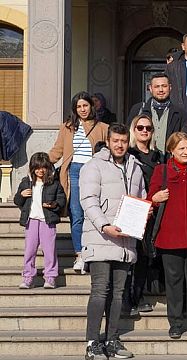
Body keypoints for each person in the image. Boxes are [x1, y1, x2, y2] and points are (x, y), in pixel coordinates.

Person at [80, 123, 146, 360]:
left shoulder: (134, 166)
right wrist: (104, 225)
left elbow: (141, 196)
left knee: (118, 293)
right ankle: (92, 343)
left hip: (126, 240)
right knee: (100, 290)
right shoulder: (94, 166)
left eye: (123, 141)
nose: (120, 145)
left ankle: (112, 339)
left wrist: (143, 210)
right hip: (100, 237)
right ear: (108, 141)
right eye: (116, 140)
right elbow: (88, 200)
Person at [148, 132, 187, 340]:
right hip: (170, 235)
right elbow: (150, 199)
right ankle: (175, 323)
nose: (185, 152)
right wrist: (156, 198)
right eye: (181, 148)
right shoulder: (162, 171)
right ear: (171, 151)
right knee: (173, 282)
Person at [49, 91, 109, 273]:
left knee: (94, 213)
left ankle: (94, 252)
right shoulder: (67, 127)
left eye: (85, 105)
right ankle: (80, 254)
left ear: (92, 106)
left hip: (94, 172)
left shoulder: (103, 127)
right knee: (77, 215)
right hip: (73, 172)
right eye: (79, 106)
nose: (83, 109)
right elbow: (57, 150)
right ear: (75, 109)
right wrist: (41, 164)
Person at [125, 114, 164, 316]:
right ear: (134, 130)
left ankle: (142, 294)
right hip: (135, 208)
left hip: (154, 211)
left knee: (146, 255)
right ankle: (130, 298)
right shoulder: (129, 153)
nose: (144, 132)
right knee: (134, 256)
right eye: (140, 128)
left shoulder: (158, 156)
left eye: (148, 128)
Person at [14, 152, 66, 289]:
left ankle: (50, 277)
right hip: (31, 221)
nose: (40, 171)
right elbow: (17, 201)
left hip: (47, 221)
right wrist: (21, 195)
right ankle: (28, 277)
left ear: (48, 168)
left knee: (49, 250)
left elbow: (61, 199)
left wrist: (54, 205)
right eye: (37, 168)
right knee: (30, 250)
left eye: (43, 167)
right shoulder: (26, 182)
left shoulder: (53, 183)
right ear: (32, 168)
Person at [126, 73, 187, 153]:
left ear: (170, 87)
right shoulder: (138, 109)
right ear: (150, 88)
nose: (161, 90)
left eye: (164, 86)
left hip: (169, 162)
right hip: (142, 160)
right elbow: (128, 135)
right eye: (157, 87)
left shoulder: (180, 114)